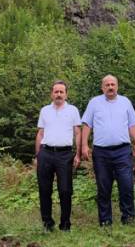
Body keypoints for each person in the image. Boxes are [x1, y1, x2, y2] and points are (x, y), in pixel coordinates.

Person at [81, 75, 135, 226]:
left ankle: (128, 218)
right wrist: (84, 145)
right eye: (107, 85)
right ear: (102, 87)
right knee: (103, 187)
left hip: (122, 151)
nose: (110, 87)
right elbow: (87, 125)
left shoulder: (125, 102)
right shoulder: (94, 103)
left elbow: (132, 124)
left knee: (126, 185)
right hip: (101, 153)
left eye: (113, 84)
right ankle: (105, 220)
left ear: (117, 86)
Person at [35, 80, 82, 232]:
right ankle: (47, 223)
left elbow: (78, 132)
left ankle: (65, 224)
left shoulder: (73, 110)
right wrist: (37, 155)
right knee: (44, 189)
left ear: (66, 94)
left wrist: (78, 154)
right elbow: (40, 133)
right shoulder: (44, 111)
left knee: (65, 190)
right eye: (56, 92)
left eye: (62, 92)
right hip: (46, 153)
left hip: (65, 154)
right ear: (52, 94)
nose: (59, 94)